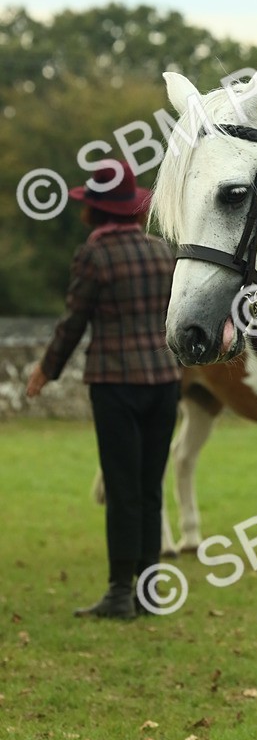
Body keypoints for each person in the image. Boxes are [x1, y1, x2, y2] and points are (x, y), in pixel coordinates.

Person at [26, 161, 181, 617]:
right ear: (132, 209)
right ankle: (148, 593)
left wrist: (46, 370)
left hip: (115, 384)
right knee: (150, 488)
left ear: (95, 211)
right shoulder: (162, 252)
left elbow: (74, 322)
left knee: (121, 487)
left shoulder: (93, 256)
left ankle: (118, 592)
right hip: (165, 383)